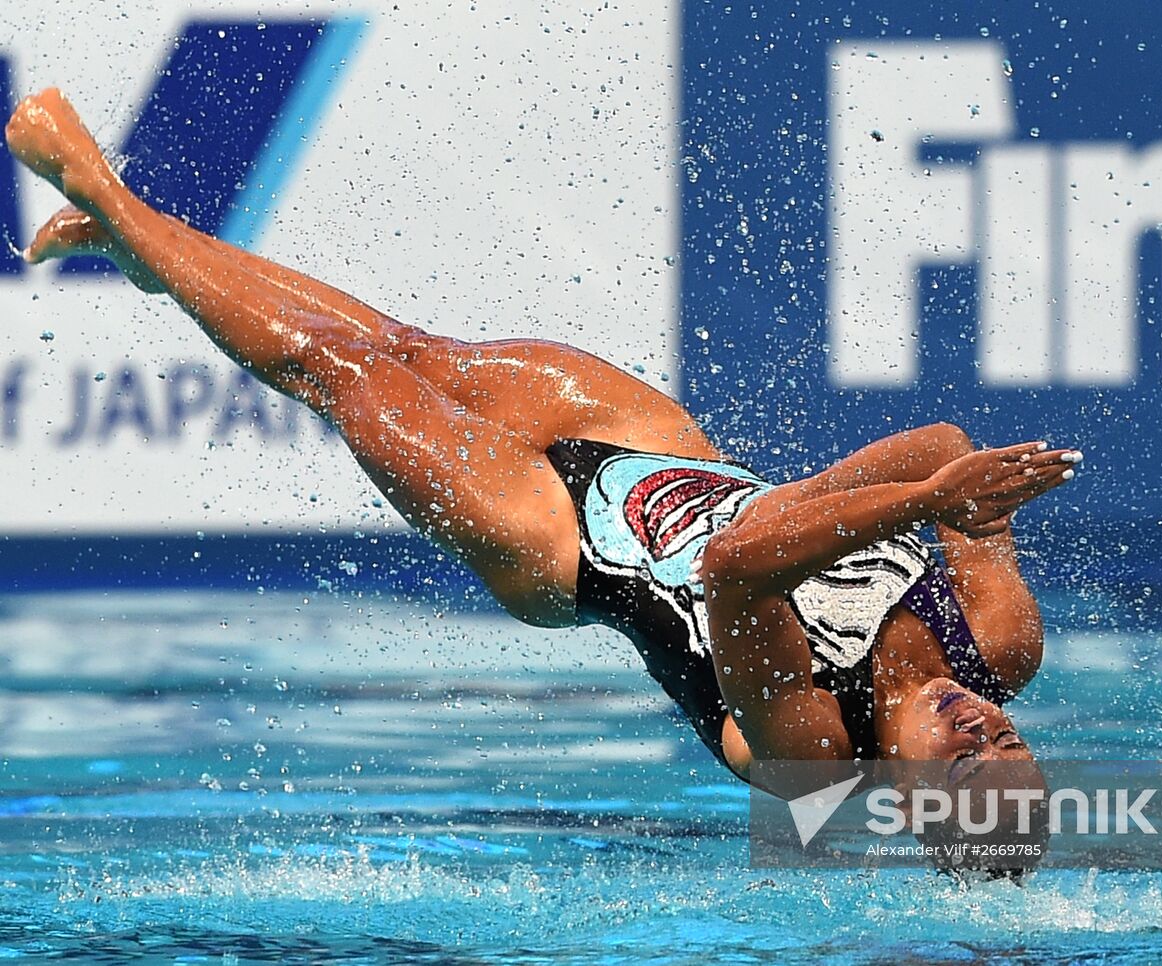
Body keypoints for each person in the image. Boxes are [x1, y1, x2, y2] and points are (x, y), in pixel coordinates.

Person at [6, 88, 1080, 787]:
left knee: (341, 372)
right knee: (405, 345)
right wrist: (936, 487)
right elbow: (939, 443)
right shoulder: (1001, 640)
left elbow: (737, 564)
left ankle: (109, 195)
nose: (981, 727)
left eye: (964, 761)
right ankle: (148, 251)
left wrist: (916, 501)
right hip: (665, 451)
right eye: (1006, 739)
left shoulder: (811, 754)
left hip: (559, 544)